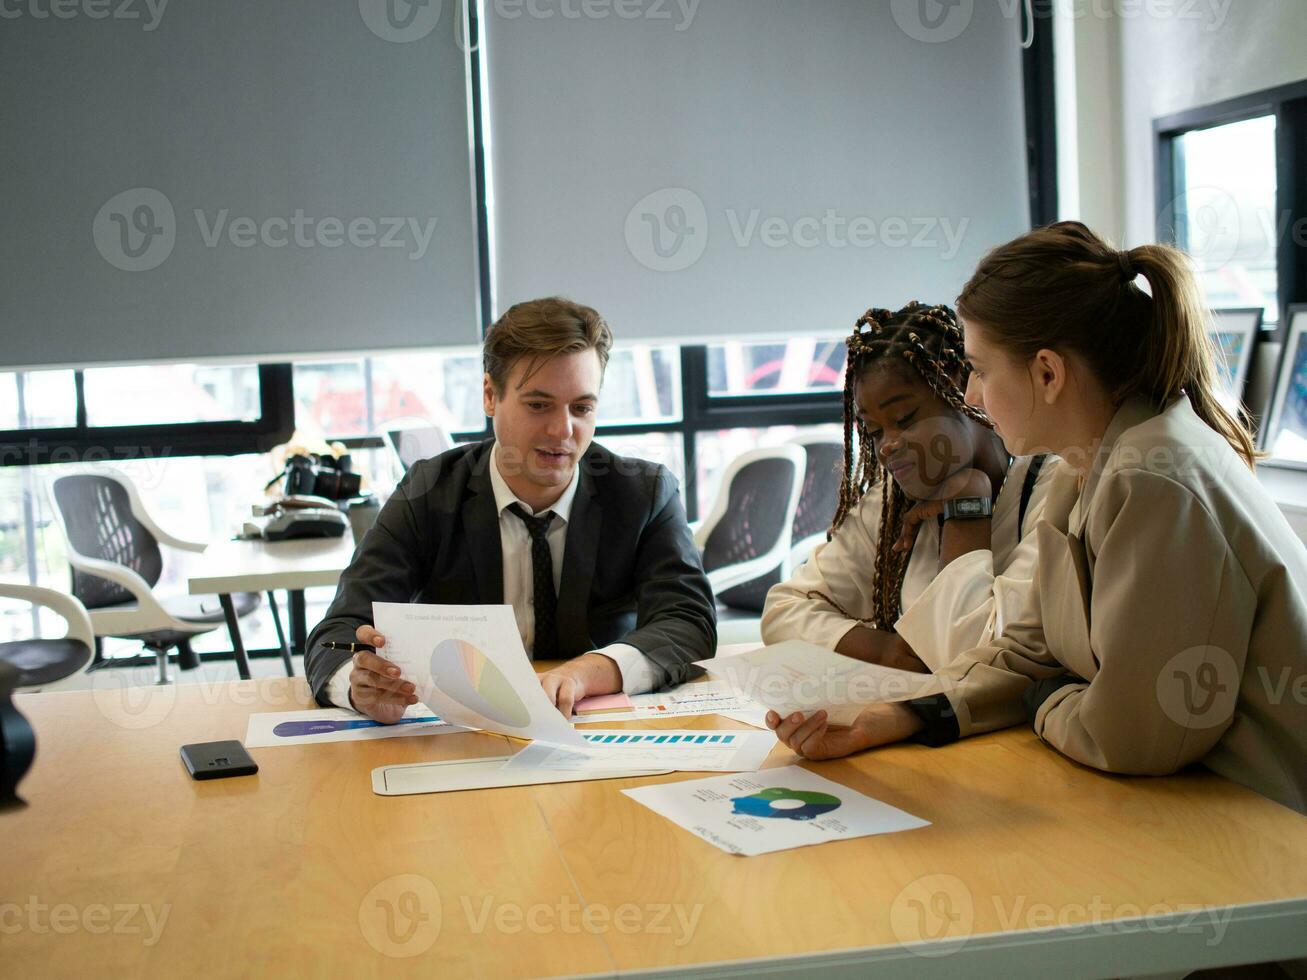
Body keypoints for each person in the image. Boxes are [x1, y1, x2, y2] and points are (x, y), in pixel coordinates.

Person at [767, 222, 1307, 815]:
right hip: (1193, 806)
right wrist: (892, 718)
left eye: (979, 370)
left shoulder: (1150, 478)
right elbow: (1026, 650)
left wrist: (1045, 699)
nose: (970, 397)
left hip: (1266, 826)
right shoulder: (1087, 465)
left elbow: (1132, 735)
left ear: (1048, 373)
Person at [305, 297, 716, 722]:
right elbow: (337, 633)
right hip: (462, 736)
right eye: (538, 405)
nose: (562, 430)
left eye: (582, 408)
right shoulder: (429, 490)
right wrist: (359, 685)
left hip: (594, 726)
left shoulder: (641, 493)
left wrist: (589, 671)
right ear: (490, 395)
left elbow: (688, 623)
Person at [761, 301, 1057, 672]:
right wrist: (883, 650)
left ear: (958, 385)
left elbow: (969, 660)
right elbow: (784, 610)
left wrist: (967, 506)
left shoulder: (1049, 488)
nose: (887, 445)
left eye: (905, 418)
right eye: (874, 430)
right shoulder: (890, 503)